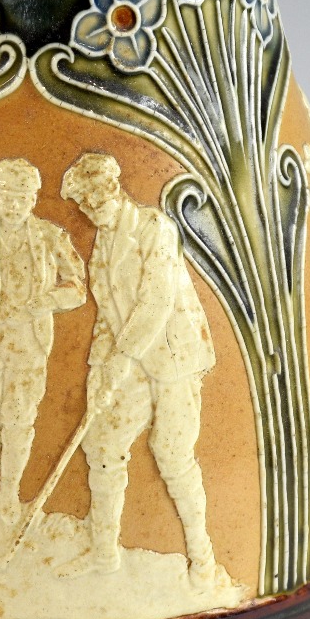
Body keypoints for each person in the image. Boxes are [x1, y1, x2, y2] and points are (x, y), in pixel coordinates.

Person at [58, 153, 217, 583]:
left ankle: (201, 556)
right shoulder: (102, 248)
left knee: (173, 454)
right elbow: (108, 316)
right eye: (83, 207)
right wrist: (99, 372)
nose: (89, 212)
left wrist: (121, 359)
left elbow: (156, 300)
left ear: (112, 191)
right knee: (103, 445)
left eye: (93, 201)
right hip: (130, 358)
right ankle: (104, 555)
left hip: (174, 358)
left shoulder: (154, 230)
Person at [0, 158, 85, 525]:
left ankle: (9, 493)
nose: (13, 204)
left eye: (22, 197)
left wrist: (44, 302)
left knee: (18, 419)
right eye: (7, 196)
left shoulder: (50, 236)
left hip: (28, 341)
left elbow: (78, 287)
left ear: (34, 199)